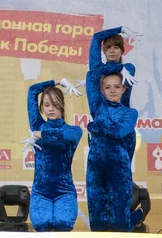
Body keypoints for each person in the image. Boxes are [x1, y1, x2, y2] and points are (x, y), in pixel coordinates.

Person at [86, 64, 144, 231]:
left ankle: (139, 213)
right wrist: (117, 66)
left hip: (119, 167)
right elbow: (91, 76)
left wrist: (96, 128)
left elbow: (119, 132)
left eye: (117, 87)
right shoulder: (97, 107)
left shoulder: (130, 112)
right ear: (102, 90)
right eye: (108, 87)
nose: (112, 91)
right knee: (97, 224)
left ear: (124, 89)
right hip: (95, 167)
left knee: (120, 224)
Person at [21, 79, 82, 231]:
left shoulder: (73, 130)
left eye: (55, 104)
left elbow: (66, 136)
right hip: (41, 192)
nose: (51, 109)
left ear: (62, 105)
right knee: (42, 224)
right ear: (42, 107)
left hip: (64, 191)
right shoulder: (37, 124)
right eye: (47, 105)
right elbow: (32, 91)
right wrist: (57, 81)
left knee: (63, 222)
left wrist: (40, 134)